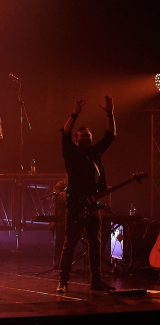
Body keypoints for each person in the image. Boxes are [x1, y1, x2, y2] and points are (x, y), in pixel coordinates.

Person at [56, 96, 116, 293]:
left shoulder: (95, 152)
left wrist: (110, 114)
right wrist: (75, 114)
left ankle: (96, 281)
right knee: (69, 245)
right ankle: (63, 281)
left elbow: (110, 135)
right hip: (75, 205)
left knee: (95, 244)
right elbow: (65, 132)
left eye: (88, 136)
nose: (87, 138)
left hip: (93, 205)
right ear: (77, 139)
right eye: (82, 136)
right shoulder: (71, 152)